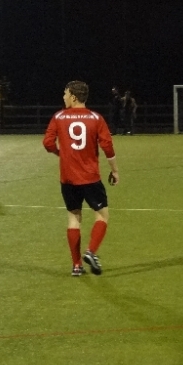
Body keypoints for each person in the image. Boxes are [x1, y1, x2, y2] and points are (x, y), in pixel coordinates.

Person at [43, 81, 119, 277]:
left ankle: (76, 265)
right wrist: (115, 171)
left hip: (68, 179)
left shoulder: (59, 117)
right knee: (102, 215)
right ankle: (91, 251)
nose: (63, 97)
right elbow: (108, 146)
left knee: (74, 217)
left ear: (74, 97)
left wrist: (60, 153)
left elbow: (47, 143)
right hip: (90, 177)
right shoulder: (96, 118)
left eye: (65, 94)